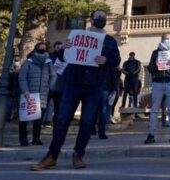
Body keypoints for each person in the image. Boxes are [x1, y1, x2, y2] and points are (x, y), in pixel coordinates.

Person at [31, 10, 121, 171]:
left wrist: (106, 60)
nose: (102, 19)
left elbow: (116, 60)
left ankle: (78, 154)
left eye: (104, 17)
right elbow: (61, 58)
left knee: (87, 122)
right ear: (91, 20)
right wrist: (63, 48)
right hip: (73, 83)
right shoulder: (77, 36)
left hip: (94, 85)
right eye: (98, 17)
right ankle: (52, 156)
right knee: (62, 120)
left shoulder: (110, 41)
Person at [144, 33, 170, 144]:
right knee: (154, 110)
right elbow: (150, 69)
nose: (168, 40)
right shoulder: (155, 53)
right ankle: (151, 134)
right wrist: (155, 65)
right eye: (166, 39)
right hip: (157, 83)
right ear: (161, 40)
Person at [18, 43, 51, 146]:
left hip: (43, 94)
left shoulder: (48, 63)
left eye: (44, 48)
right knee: (24, 118)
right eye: (40, 48)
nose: (42, 50)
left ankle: (36, 139)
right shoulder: (28, 62)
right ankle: (23, 139)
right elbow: (22, 77)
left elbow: (53, 75)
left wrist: (49, 87)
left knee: (39, 119)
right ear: (35, 49)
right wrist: (25, 90)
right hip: (29, 94)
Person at [43, 42, 65, 128]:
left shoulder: (65, 58)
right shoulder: (49, 57)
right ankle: (42, 121)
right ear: (54, 48)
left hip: (60, 86)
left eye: (60, 47)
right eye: (57, 47)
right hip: (49, 85)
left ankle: (52, 123)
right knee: (44, 106)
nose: (59, 49)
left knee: (57, 108)